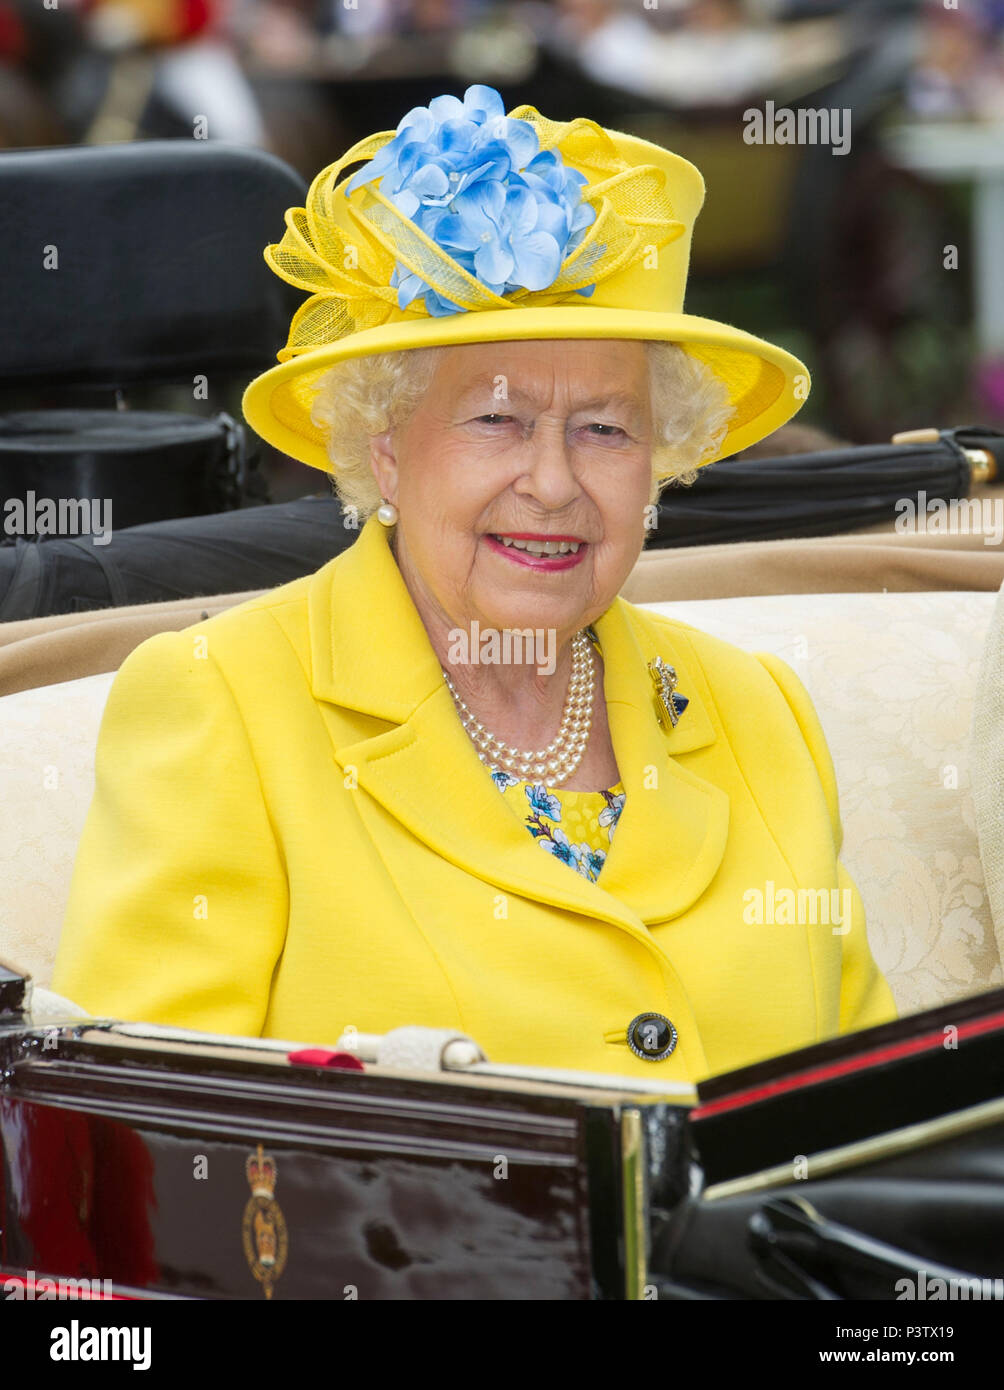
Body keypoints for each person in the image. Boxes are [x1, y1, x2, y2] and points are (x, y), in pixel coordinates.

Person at [53, 84, 896, 1082]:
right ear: (386, 452)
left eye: (604, 429)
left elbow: (865, 1114)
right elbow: (142, 1141)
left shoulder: (758, 712)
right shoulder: (221, 706)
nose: (551, 482)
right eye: (494, 421)